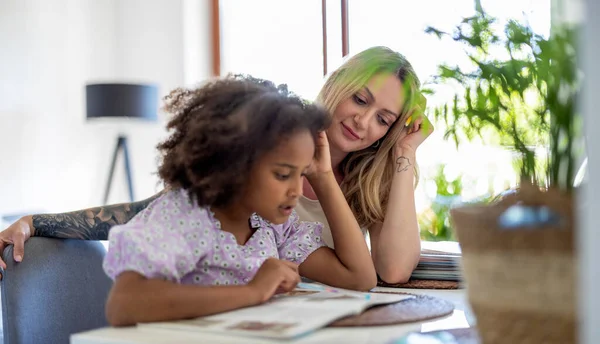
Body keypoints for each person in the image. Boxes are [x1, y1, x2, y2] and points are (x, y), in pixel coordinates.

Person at [0, 46, 433, 284]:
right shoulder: (270, 140)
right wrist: (37, 222)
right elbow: (152, 210)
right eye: (361, 99)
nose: (363, 120)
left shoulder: (360, 181)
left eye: (384, 119)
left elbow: (388, 271)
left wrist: (404, 155)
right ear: (340, 84)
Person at [101, 74, 376, 326]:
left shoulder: (272, 226)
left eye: (302, 173)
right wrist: (252, 291)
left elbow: (360, 279)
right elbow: (124, 304)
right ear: (234, 163)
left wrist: (323, 175)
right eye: (282, 174)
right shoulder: (186, 215)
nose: (296, 190)